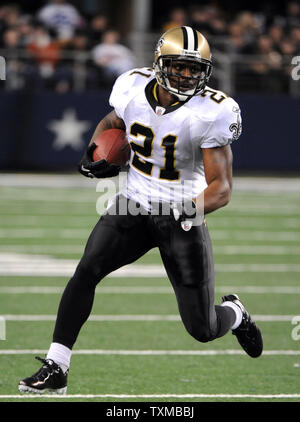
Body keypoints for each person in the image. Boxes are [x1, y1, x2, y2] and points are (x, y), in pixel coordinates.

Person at [19, 26, 263, 395]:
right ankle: (57, 366)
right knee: (86, 272)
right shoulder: (132, 86)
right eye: (179, 67)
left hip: (183, 217)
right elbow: (113, 123)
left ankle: (235, 314)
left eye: (195, 69)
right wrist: (95, 152)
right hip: (133, 203)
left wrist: (186, 208)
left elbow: (222, 189)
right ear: (159, 63)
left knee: (202, 328)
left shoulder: (212, 111)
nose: (187, 75)